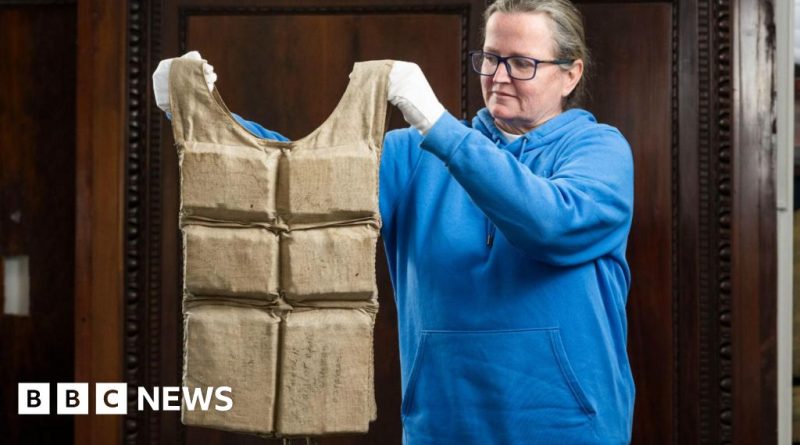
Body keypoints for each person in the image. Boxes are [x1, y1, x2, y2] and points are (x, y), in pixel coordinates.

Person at [153, 0, 635, 443]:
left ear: (570, 74)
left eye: (522, 63)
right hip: (441, 428)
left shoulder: (599, 151)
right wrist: (200, 113)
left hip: (572, 429)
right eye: (490, 58)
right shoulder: (413, 154)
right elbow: (294, 179)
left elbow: (552, 225)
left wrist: (439, 127)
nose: (499, 77)